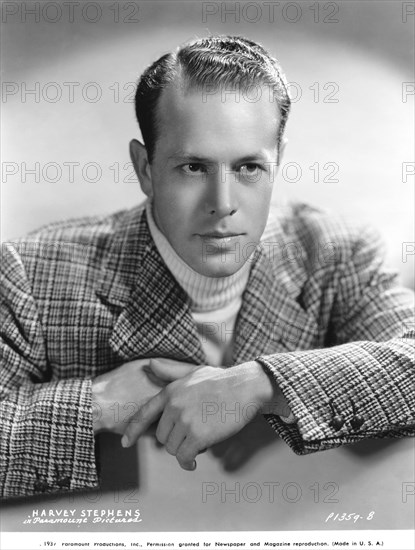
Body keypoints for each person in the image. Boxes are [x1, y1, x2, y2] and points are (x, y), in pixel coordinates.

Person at [1, 35, 414, 499]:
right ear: (145, 168)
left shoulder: (337, 254)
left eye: (249, 168)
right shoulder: (31, 274)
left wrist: (260, 384)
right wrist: (94, 404)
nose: (222, 205)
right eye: (194, 167)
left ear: (278, 166)